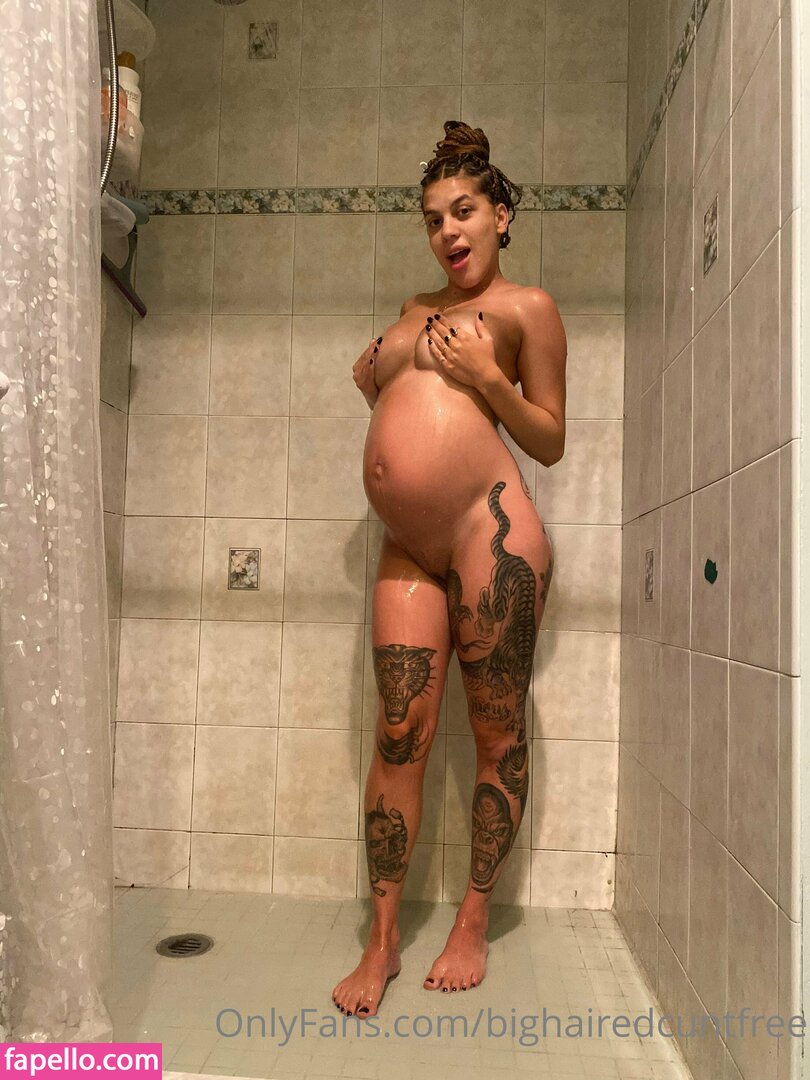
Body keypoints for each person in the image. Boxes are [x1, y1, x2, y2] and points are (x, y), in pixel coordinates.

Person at [332, 120, 567, 1019]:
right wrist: (381, 369)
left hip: (488, 531)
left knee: (496, 732)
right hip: (409, 543)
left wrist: (490, 379)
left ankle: (471, 921)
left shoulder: (527, 308)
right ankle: (384, 938)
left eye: (464, 211)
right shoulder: (411, 307)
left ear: (500, 215)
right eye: (434, 219)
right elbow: (389, 391)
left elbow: (549, 437)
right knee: (400, 729)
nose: (448, 231)